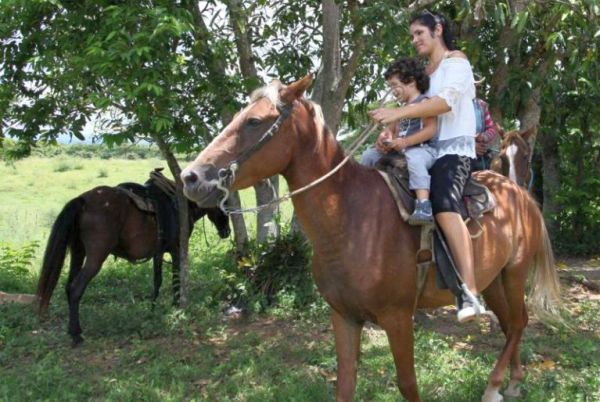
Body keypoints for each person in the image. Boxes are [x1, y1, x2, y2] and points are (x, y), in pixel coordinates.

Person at [369, 10, 486, 322]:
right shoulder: (423, 73)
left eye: (419, 33)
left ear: (438, 30)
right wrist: (389, 136)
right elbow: (414, 109)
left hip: (452, 151)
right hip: (421, 148)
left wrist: (395, 114)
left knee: (445, 204)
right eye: (412, 36)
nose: (415, 40)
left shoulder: (456, 63)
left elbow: (446, 103)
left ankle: (470, 290)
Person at [360, 57, 438, 225]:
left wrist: (405, 142)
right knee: (369, 155)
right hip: (402, 149)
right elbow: (391, 130)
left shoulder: (424, 103)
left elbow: (431, 129)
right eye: (390, 87)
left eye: (395, 85)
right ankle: (362, 194)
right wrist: (385, 138)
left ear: (411, 81)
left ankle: (423, 204)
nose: (393, 91)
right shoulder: (400, 109)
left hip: (423, 149)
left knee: (415, 158)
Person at [472, 97, 499, 171]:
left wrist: (483, 136)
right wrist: (471, 145)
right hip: (457, 154)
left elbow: (492, 129)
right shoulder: (452, 103)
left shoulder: (481, 105)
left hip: (479, 157)